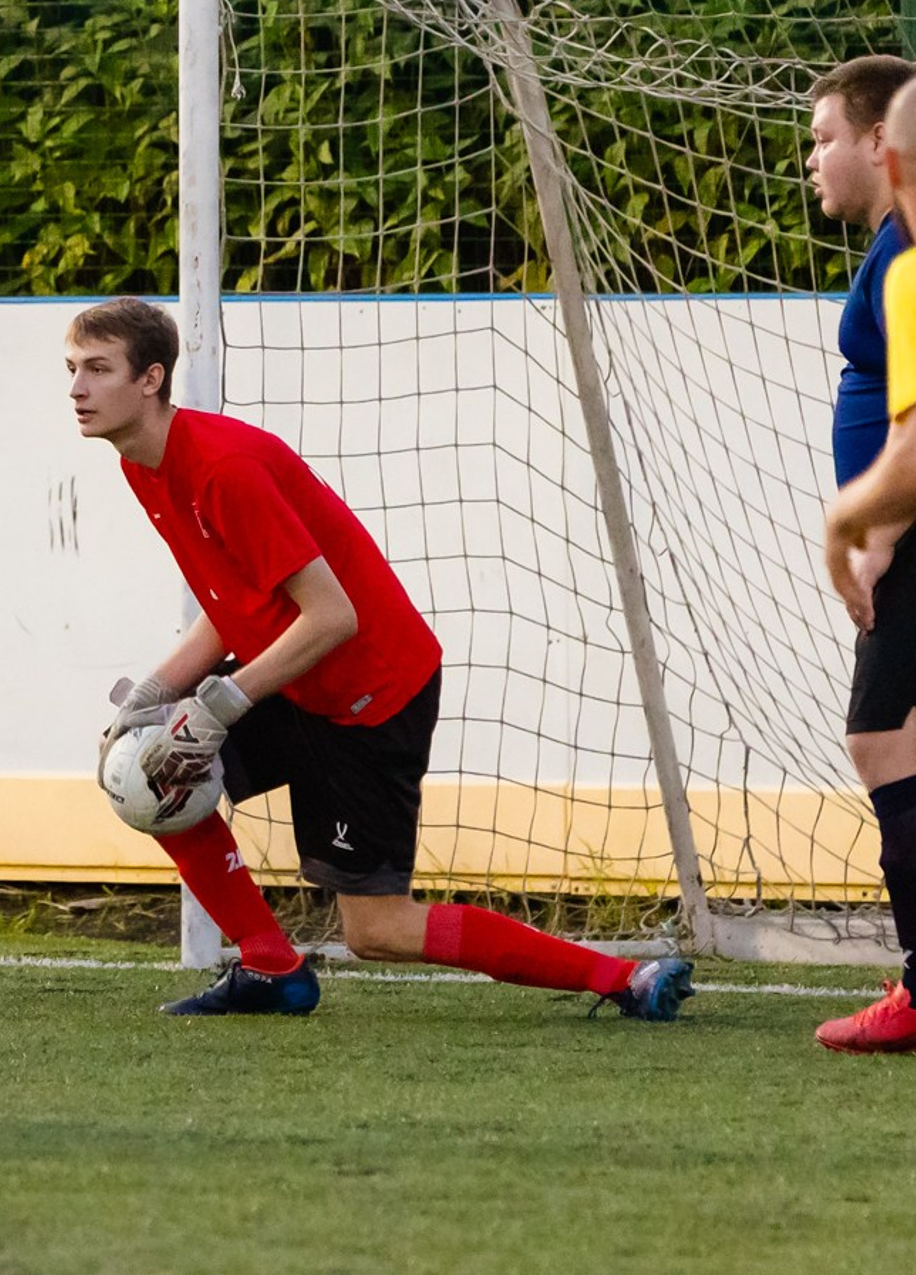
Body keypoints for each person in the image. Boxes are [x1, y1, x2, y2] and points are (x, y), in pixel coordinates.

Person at [71, 297, 693, 1019]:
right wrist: (153, 695)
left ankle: (625, 978)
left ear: (150, 380)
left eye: (97, 369)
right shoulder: (147, 465)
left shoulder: (221, 467)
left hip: (369, 694)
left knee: (378, 930)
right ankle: (274, 970)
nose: (78, 389)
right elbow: (236, 600)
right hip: (294, 676)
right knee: (145, 772)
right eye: (72, 370)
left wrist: (218, 707)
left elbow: (335, 618)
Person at [805, 57, 916, 1051]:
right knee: (896, 736)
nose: (811, 159)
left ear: (882, 146)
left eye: (822, 137)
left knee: (886, 739)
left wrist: (870, 530)